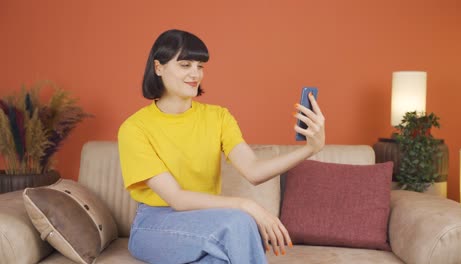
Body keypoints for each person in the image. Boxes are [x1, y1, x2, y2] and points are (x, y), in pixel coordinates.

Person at [118, 29, 325, 264]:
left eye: (200, 66)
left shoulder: (218, 117)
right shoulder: (134, 128)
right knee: (239, 221)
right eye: (185, 65)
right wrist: (246, 205)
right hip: (154, 226)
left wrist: (310, 148)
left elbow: (254, 170)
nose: (195, 74)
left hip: (205, 221)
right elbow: (177, 199)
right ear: (158, 68)